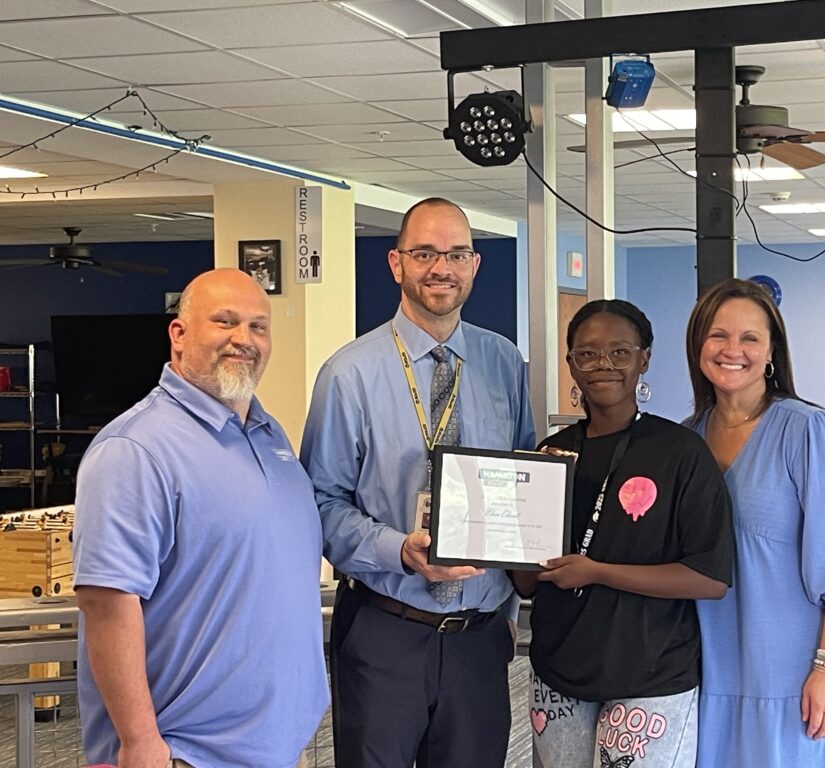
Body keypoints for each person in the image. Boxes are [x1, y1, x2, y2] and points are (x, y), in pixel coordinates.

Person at [300, 197, 535, 768]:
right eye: (424, 253)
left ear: (474, 265)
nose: (441, 268)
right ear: (396, 263)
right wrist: (398, 550)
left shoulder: (503, 362)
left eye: (456, 254)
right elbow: (319, 503)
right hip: (385, 631)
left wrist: (507, 615)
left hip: (479, 636)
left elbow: (520, 487)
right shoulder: (349, 374)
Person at [73, 268, 328, 768]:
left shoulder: (270, 435)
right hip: (186, 753)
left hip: (278, 748)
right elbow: (106, 604)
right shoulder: (134, 449)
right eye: (224, 322)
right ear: (179, 334)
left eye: (258, 326)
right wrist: (140, 743)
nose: (244, 339)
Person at [515, 299, 734, 768]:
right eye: (587, 353)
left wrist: (597, 572)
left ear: (644, 359)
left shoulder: (680, 452)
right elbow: (526, 581)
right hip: (558, 671)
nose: (603, 364)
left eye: (620, 352)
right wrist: (507, 516)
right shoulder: (549, 455)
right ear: (571, 363)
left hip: (651, 675)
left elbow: (710, 577)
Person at [684, 278, 825, 768]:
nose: (732, 350)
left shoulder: (808, 430)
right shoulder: (685, 440)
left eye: (750, 338)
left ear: (772, 350)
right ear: (697, 345)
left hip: (798, 681)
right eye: (718, 335)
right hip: (710, 676)